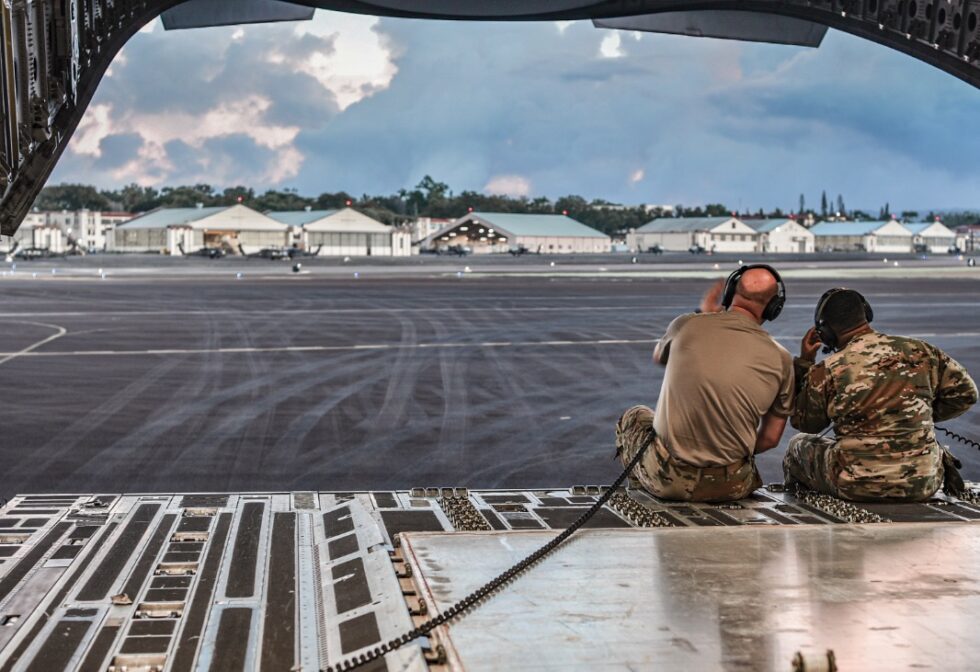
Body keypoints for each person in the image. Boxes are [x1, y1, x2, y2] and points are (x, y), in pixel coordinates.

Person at [615, 265, 795, 502]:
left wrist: (703, 314)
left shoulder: (686, 324)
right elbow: (770, 439)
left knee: (635, 416)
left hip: (669, 481)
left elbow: (659, 356)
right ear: (774, 307)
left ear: (730, 293)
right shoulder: (782, 358)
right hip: (733, 485)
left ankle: (646, 495)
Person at [784, 288, 978, 501]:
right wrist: (911, 414)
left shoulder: (829, 368)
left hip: (854, 485)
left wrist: (804, 363)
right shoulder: (920, 350)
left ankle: (807, 510)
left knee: (797, 445)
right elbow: (966, 394)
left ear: (826, 333)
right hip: (923, 482)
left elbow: (805, 423)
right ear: (866, 314)